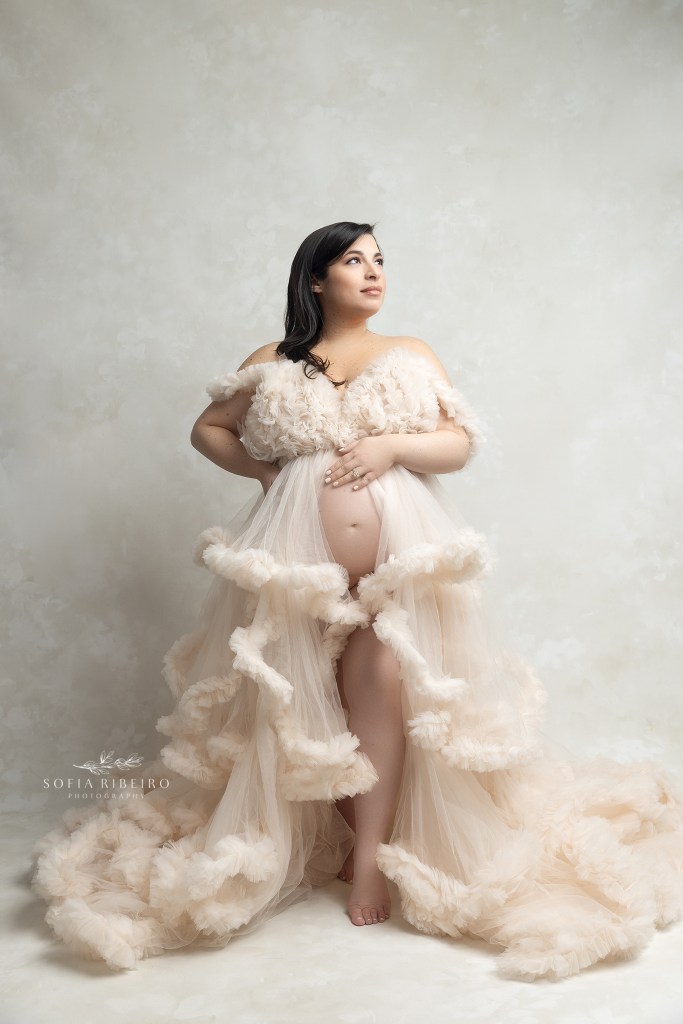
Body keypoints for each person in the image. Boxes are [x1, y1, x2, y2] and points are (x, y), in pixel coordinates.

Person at [30, 221, 683, 979]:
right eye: (353, 260)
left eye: (379, 261)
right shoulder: (272, 360)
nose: (373, 272)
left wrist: (391, 447)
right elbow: (208, 429)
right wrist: (268, 474)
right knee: (302, 696)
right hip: (294, 562)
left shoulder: (409, 353)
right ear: (316, 278)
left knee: (379, 680)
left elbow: (458, 443)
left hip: (399, 553)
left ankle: (370, 854)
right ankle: (331, 833)